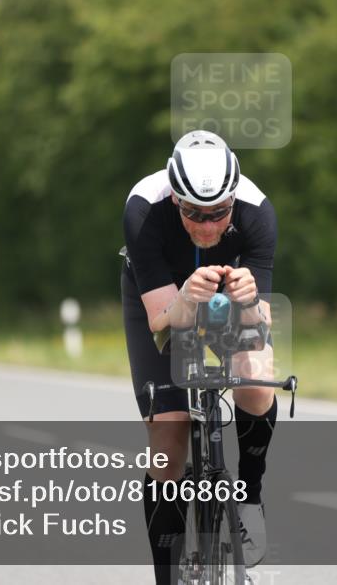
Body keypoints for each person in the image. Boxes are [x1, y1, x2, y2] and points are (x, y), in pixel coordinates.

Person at [121, 131, 278, 584]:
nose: (208, 227)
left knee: (255, 368)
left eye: (219, 214)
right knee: (168, 436)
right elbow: (160, 322)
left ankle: (249, 493)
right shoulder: (143, 209)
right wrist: (187, 298)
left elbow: (261, 326)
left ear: (234, 198)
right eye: (193, 214)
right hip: (161, 296)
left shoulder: (258, 212)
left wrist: (249, 302)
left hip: (227, 293)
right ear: (174, 197)